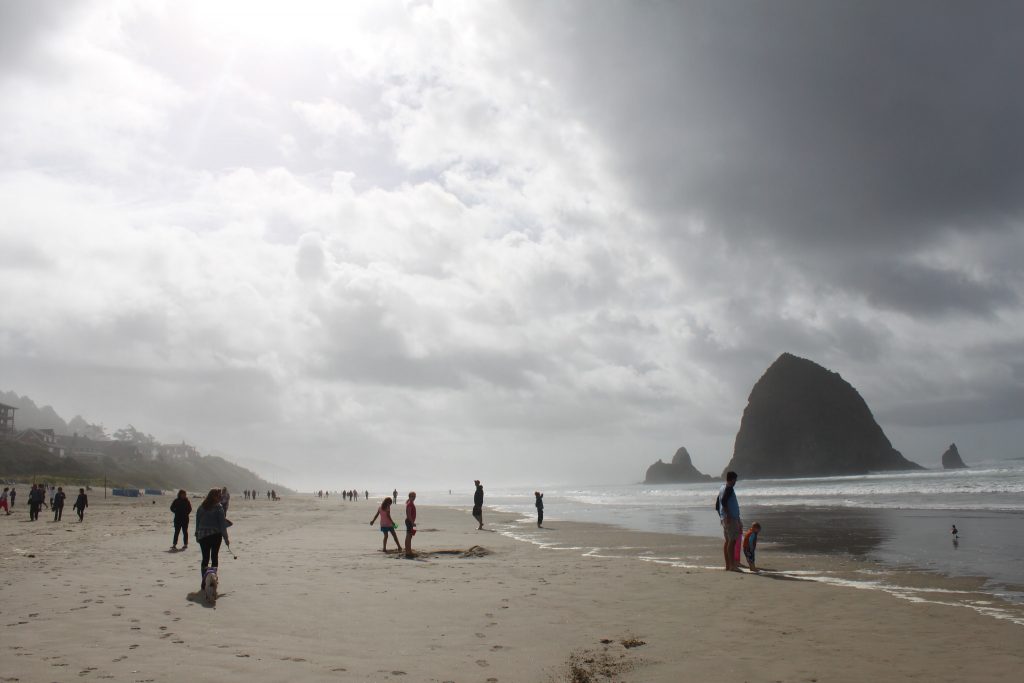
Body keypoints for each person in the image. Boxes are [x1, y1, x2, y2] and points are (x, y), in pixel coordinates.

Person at [195, 488, 230, 593]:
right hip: (215, 535)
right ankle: (213, 579)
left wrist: (197, 534)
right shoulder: (218, 508)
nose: (221, 496)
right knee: (214, 557)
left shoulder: (201, 507)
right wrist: (226, 538)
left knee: (205, 558)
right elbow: (222, 525)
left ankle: (204, 581)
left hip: (203, 536)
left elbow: (197, 522)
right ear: (214, 496)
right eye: (219, 495)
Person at [716, 471, 742, 572]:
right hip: (730, 519)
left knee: (728, 541)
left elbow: (717, 505)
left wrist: (722, 516)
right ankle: (732, 566)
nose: (736, 482)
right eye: (735, 480)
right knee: (732, 541)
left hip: (725, 518)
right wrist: (728, 516)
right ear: (732, 479)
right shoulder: (729, 488)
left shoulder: (722, 488)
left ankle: (728, 565)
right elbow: (723, 502)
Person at [404, 491, 417, 557]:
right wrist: (412, 522)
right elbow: (408, 514)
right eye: (412, 496)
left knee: (409, 536)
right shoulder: (409, 504)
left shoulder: (411, 503)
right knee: (408, 536)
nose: (414, 497)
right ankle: (408, 552)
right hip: (409, 521)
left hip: (410, 521)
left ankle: (409, 550)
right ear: (409, 497)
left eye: (414, 496)